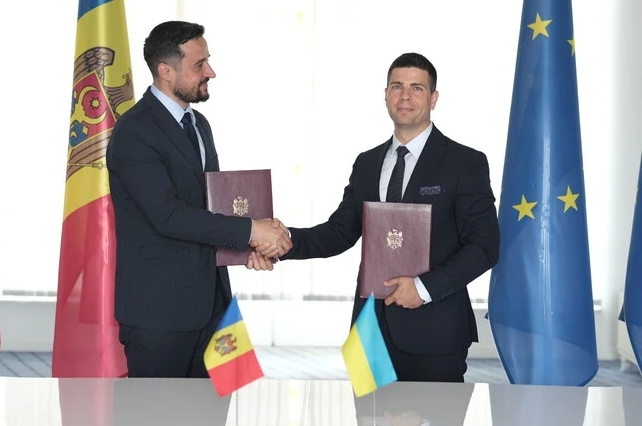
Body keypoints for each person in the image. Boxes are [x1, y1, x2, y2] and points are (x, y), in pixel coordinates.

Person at [251, 53, 500, 382]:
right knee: (367, 411)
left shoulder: (464, 163)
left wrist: (423, 288)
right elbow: (340, 232)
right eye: (397, 86)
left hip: (433, 333)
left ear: (434, 98)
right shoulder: (367, 163)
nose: (405, 96)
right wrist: (283, 241)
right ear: (385, 95)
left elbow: (484, 246)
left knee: (431, 411)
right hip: (369, 333)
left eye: (417, 88)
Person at [106, 21, 290, 378]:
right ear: (166, 71)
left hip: (214, 307)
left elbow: (210, 209)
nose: (211, 72)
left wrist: (248, 247)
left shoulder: (199, 124)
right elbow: (168, 216)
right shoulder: (134, 131)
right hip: (159, 314)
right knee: (159, 408)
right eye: (199, 64)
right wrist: (251, 230)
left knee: (215, 405)